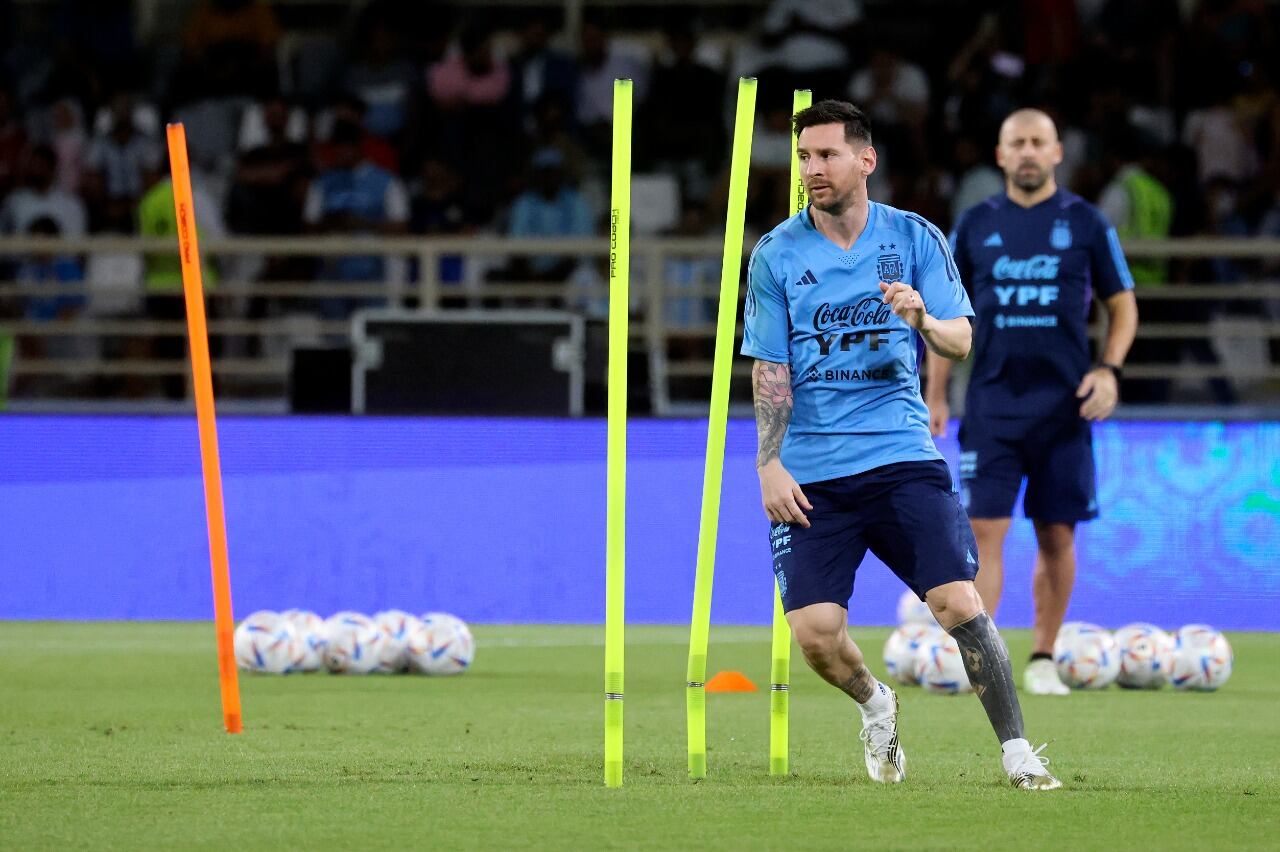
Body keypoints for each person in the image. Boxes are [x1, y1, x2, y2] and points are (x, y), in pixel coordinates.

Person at [742, 99, 1060, 790]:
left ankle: (1018, 754)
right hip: (814, 474)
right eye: (804, 156)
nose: (812, 169)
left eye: (827, 155)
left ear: (866, 160)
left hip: (900, 457)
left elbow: (961, 339)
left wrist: (922, 319)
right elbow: (770, 368)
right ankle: (875, 704)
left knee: (958, 605)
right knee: (816, 636)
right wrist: (768, 463)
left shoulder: (915, 237)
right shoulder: (776, 253)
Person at [925, 109, 1139, 695]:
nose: (1026, 151)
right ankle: (982, 661)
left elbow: (1123, 304)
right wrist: (935, 394)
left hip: (1064, 408)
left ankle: (1043, 656)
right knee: (983, 531)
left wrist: (1109, 370)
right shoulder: (974, 224)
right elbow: (947, 314)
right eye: (1016, 142)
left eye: (1037, 142)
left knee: (1057, 534)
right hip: (992, 406)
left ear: (1056, 152)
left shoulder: (1086, 222)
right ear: (1000, 155)